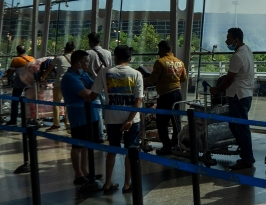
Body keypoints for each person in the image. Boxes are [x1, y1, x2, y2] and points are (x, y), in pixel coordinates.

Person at [86, 45, 144, 193]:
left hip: (112, 119)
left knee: (112, 150)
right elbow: (138, 101)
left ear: (115, 57)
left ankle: (107, 183)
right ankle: (127, 184)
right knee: (131, 151)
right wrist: (130, 120)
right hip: (132, 119)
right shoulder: (137, 74)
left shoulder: (104, 72)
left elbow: (93, 96)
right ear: (130, 59)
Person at [209, 27, 255, 171]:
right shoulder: (247, 50)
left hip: (238, 95)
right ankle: (246, 155)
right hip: (246, 94)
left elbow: (229, 79)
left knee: (239, 127)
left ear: (236, 40)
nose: (226, 41)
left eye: (228, 38)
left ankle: (247, 158)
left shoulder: (237, 57)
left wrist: (216, 89)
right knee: (239, 126)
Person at [61, 50, 103, 186]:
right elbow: (86, 94)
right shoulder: (69, 78)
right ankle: (78, 173)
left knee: (87, 145)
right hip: (79, 117)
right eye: (86, 62)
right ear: (78, 63)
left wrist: (93, 90)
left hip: (91, 115)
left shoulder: (83, 75)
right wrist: (92, 91)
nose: (88, 64)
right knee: (78, 146)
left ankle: (85, 171)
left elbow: (95, 87)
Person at [145, 40, 186, 155]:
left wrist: (144, 81)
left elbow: (153, 79)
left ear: (162, 49)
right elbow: (183, 78)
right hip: (178, 93)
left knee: (161, 122)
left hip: (166, 94)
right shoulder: (180, 62)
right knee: (176, 120)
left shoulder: (160, 62)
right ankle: (175, 144)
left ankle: (167, 147)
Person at [47, 41, 75, 131]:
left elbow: (49, 68)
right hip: (70, 83)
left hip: (59, 83)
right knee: (68, 103)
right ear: (73, 50)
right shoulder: (74, 58)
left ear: (65, 48)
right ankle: (68, 123)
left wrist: (42, 77)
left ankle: (56, 123)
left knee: (56, 103)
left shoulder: (59, 57)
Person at [5, 45, 35, 125]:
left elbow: (10, 73)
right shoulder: (32, 59)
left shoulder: (16, 60)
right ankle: (30, 117)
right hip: (29, 82)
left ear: (17, 51)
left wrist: (6, 75)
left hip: (19, 81)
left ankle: (13, 119)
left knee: (15, 100)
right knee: (30, 100)